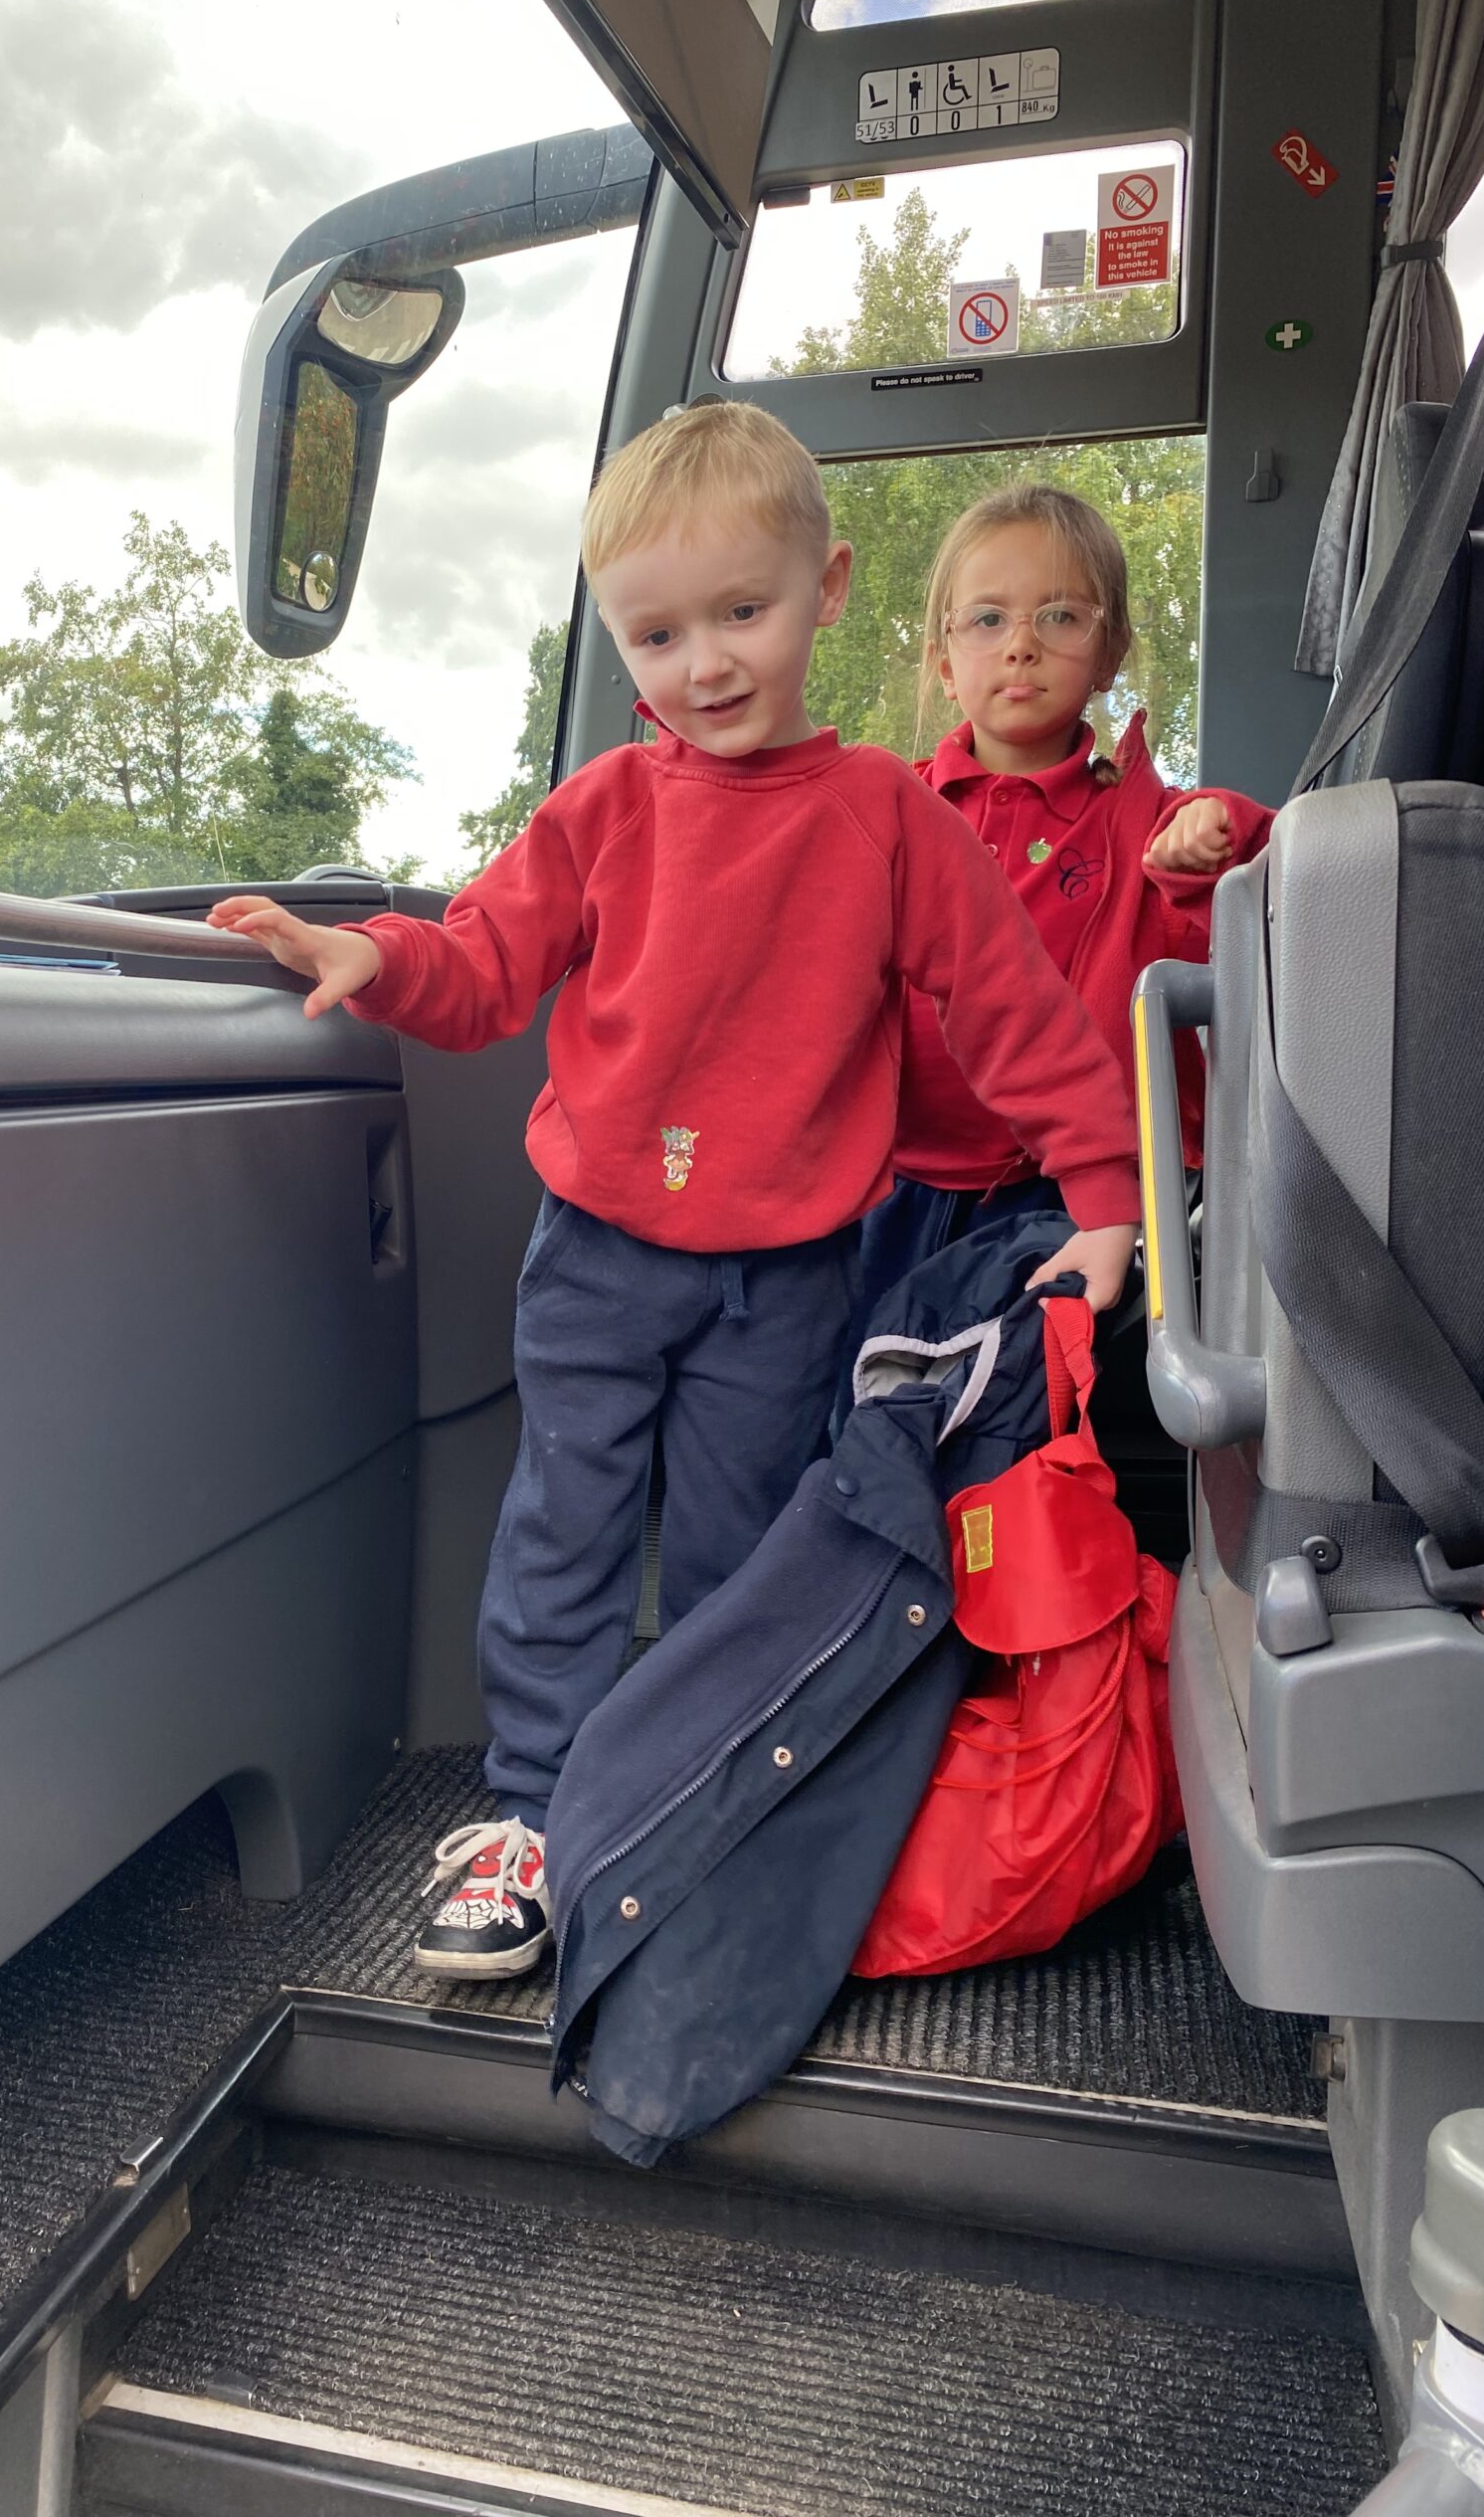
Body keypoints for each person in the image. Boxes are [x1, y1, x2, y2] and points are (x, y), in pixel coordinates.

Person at [205, 403, 1142, 1981]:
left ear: (828, 589)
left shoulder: (891, 824)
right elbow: (486, 958)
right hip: (597, 1256)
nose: (703, 662)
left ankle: (683, 1802)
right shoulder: (605, 813)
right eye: (656, 632)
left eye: (742, 614)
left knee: (731, 1555)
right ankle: (536, 1818)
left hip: (786, 1275)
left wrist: (1105, 1196)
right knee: (563, 1531)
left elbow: (1015, 1016)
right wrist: (375, 955)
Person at [856, 481, 1272, 1311]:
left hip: (1076, 1191)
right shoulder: (883, 813)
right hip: (896, 1175)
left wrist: (1205, 840)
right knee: (861, 1395)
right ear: (944, 662)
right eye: (987, 620)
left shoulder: (1146, 821)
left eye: (1059, 617)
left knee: (1009, 1415)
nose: (1021, 646)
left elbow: (1262, 865)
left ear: (1110, 651)